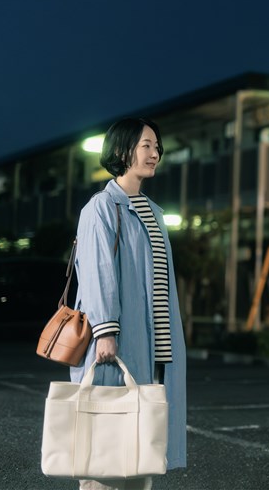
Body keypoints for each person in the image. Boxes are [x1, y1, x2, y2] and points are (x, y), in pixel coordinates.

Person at [71, 117, 187, 490]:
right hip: (116, 344)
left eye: (157, 147)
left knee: (142, 455)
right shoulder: (101, 207)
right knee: (105, 453)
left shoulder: (153, 211)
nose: (155, 153)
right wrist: (105, 331)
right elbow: (96, 271)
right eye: (146, 146)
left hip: (154, 351)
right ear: (122, 151)